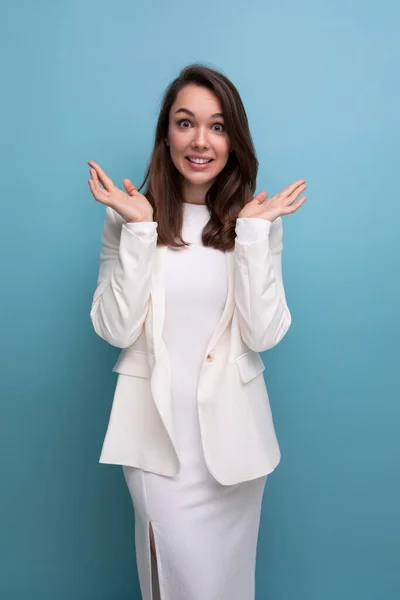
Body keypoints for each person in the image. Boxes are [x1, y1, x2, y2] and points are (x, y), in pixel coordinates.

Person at [88, 63, 307, 600]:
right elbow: (114, 328)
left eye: (217, 126)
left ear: (234, 139)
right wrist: (140, 232)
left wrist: (254, 236)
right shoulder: (129, 217)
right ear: (166, 134)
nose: (200, 140)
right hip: (157, 444)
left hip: (233, 447)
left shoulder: (255, 223)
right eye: (186, 123)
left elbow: (264, 334)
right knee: (172, 585)